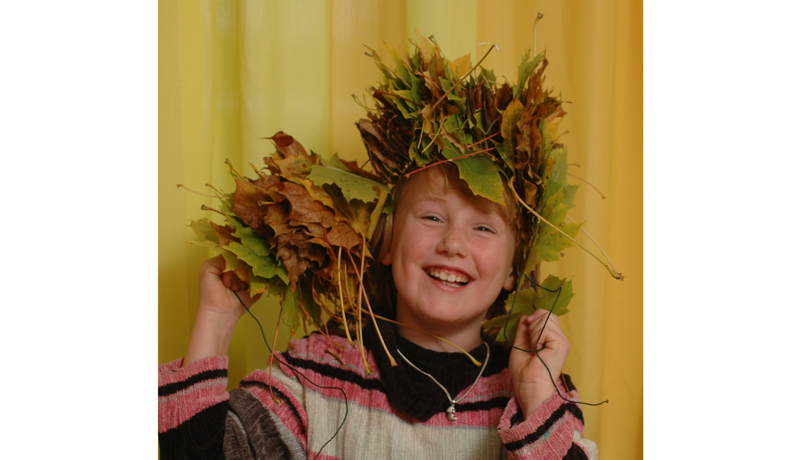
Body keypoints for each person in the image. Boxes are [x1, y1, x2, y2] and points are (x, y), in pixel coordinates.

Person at [159, 34, 600, 459]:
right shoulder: (316, 376)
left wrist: (537, 395)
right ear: (387, 244)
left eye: (483, 229)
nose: (452, 243)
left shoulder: (536, 393)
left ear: (512, 271)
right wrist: (214, 322)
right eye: (431, 217)